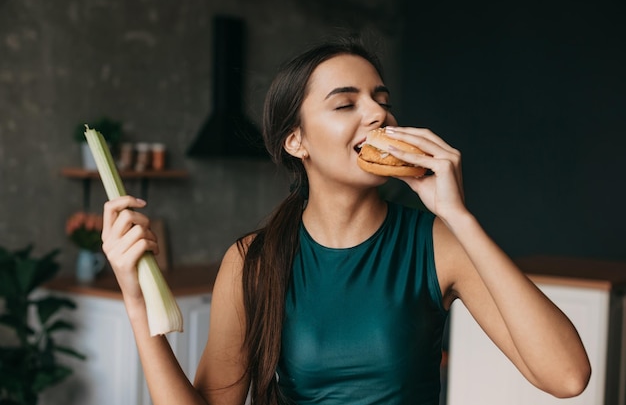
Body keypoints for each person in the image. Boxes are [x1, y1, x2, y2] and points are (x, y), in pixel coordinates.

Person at [101, 37, 591, 405]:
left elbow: (567, 377)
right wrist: (138, 304)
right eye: (345, 103)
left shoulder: (438, 243)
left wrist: (458, 216)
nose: (378, 113)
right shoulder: (254, 260)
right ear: (297, 141)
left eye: (381, 99)